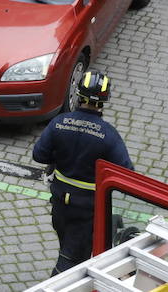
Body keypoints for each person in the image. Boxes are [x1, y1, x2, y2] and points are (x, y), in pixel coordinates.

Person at [31, 69, 133, 276]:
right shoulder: (108, 135)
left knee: (68, 250)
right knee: (70, 260)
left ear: (78, 94)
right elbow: (127, 173)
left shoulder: (59, 122)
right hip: (87, 209)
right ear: (104, 101)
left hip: (60, 203)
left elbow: (39, 155)